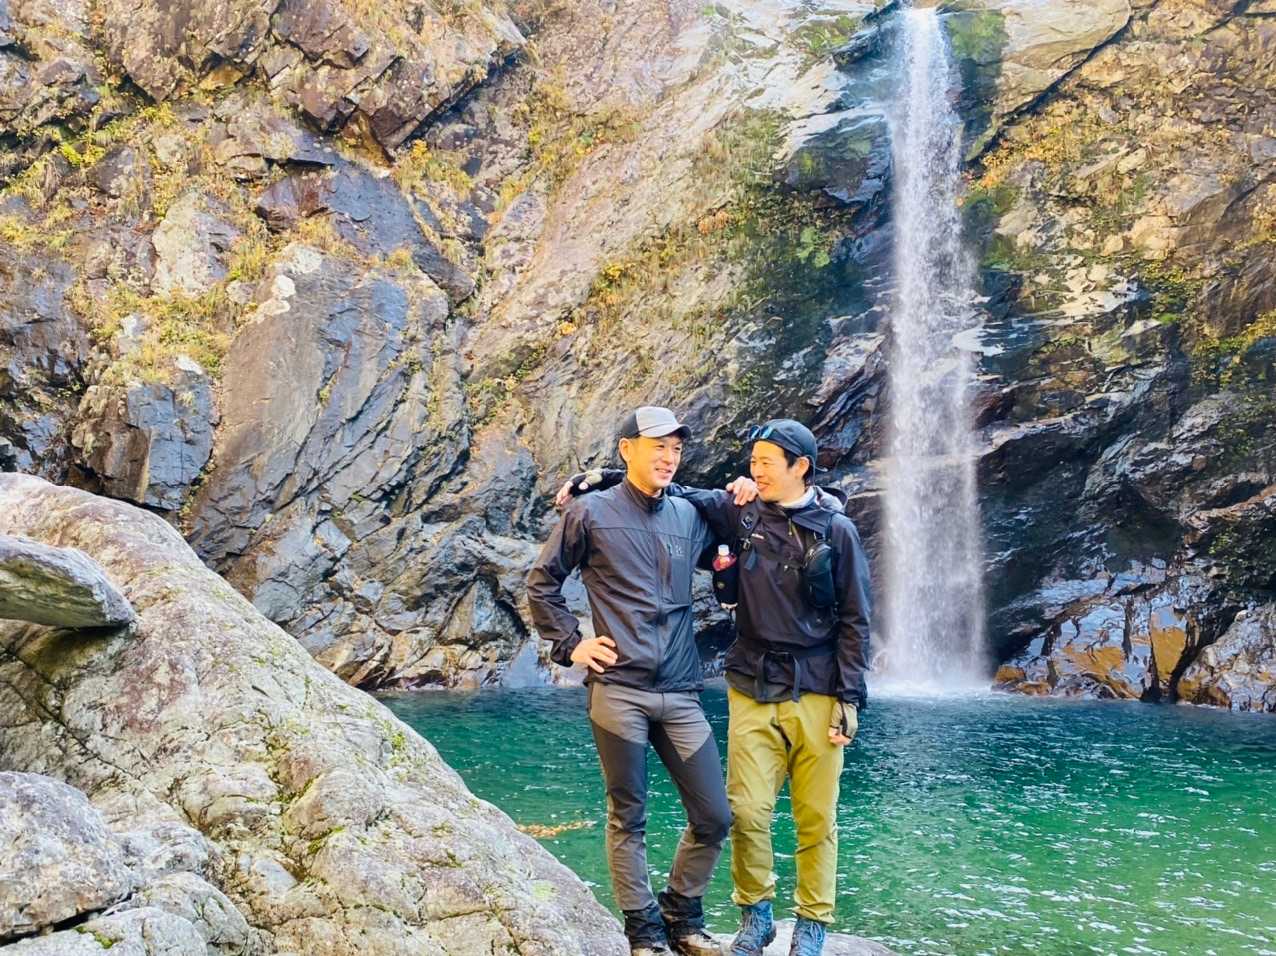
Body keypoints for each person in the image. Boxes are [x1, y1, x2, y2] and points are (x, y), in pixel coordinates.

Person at [560, 419, 872, 956]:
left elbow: (856, 619)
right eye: (753, 462)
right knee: (743, 812)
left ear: (800, 467)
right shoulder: (739, 512)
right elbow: (666, 488)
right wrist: (601, 477)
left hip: (818, 688)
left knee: (816, 816)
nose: (755, 471)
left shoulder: (836, 528)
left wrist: (850, 697)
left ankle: (813, 923)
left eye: (766, 462)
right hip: (750, 683)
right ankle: (755, 916)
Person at [527, 405, 757, 956]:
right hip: (618, 690)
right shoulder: (590, 513)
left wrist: (746, 492)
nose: (668, 457)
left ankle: (681, 915)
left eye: (676, 448)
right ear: (627, 449)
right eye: (658, 446)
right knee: (628, 816)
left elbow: (748, 525)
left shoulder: (689, 514)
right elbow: (542, 582)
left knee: (714, 815)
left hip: (679, 691)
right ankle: (645, 934)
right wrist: (573, 645)